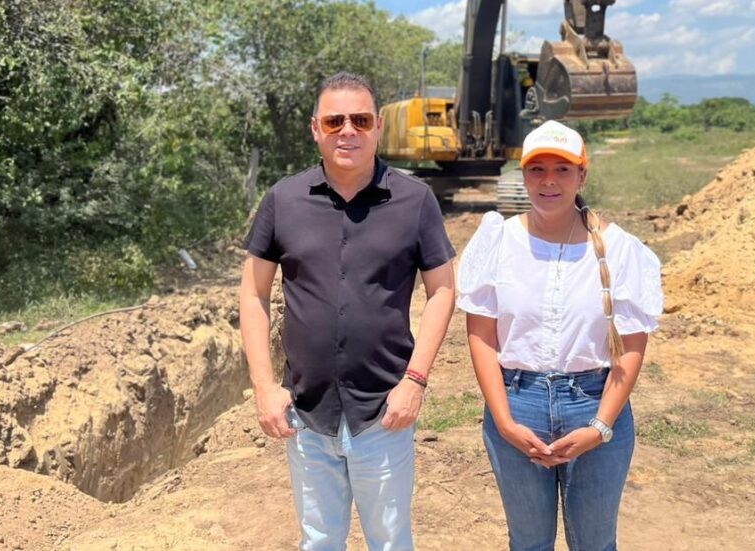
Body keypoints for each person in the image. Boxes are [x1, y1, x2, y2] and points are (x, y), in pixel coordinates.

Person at [240, 72, 456, 551]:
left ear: (378, 126)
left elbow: (442, 291)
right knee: (318, 540)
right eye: (335, 121)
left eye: (359, 120)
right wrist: (263, 388)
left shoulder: (415, 200)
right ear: (315, 128)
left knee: (390, 541)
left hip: (384, 411)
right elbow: (252, 295)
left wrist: (415, 382)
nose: (348, 131)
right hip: (307, 410)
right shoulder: (283, 200)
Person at [457, 120, 663, 551]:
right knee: (529, 542)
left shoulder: (619, 249)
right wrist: (505, 422)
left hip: (594, 404)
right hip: (518, 405)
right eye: (537, 169)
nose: (548, 180)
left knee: (595, 543)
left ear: (582, 175)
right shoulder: (498, 241)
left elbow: (630, 348)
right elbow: (481, 337)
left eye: (562, 169)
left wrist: (600, 427)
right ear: (523, 175)